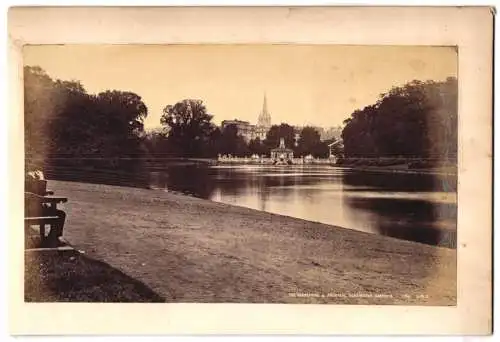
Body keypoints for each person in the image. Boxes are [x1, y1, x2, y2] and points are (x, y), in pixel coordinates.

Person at [25, 168, 66, 246]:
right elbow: (39, 191)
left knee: (60, 213)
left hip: (25, 210)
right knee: (60, 214)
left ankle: (52, 237)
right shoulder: (30, 176)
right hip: (36, 211)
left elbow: (37, 191)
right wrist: (41, 179)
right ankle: (53, 237)